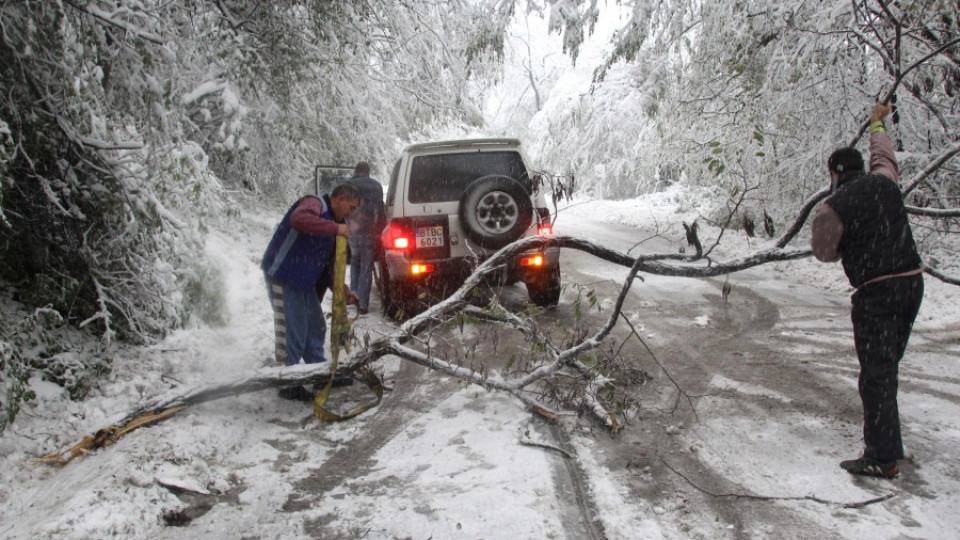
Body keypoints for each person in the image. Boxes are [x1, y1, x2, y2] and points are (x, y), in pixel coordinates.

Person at [811, 101, 924, 478]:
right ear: (861, 168)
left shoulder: (834, 205)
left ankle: (881, 455)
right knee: (887, 366)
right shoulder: (885, 182)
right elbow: (885, 156)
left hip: (875, 293)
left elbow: (824, 252)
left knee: (876, 373)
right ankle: (887, 441)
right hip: (911, 284)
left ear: (833, 173)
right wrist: (878, 123)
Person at [262, 183, 361, 400]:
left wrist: (342, 290)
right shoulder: (315, 203)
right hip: (284, 275)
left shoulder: (335, 223)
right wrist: (335, 229)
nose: (352, 214)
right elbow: (298, 219)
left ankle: (318, 373)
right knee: (293, 330)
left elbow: (326, 266)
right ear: (341, 198)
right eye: (351, 207)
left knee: (315, 326)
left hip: (303, 282)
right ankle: (288, 381)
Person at [346, 162, 386, 315]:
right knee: (366, 267)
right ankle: (363, 303)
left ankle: (353, 296)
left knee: (355, 261)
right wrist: (382, 229)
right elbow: (380, 210)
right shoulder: (376, 186)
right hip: (371, 232)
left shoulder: (348, 185)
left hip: (353, 232)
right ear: (368, 172)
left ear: (356, 170)